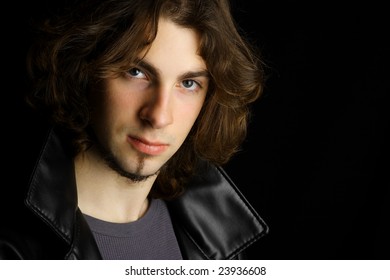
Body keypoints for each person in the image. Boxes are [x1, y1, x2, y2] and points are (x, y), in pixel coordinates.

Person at [0, 0, 268, 260]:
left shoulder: (216, 241)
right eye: (136, 72)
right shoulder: (15, 251)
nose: (159, 116)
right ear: (87, 67)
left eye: (188, 83)